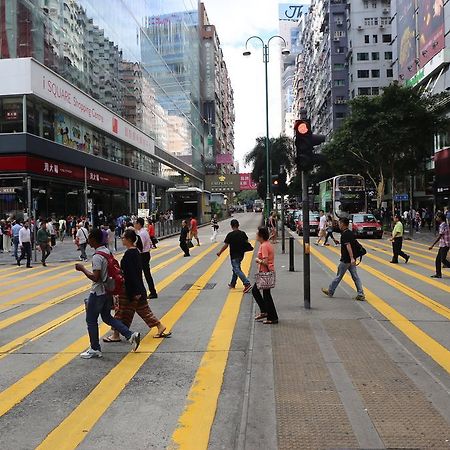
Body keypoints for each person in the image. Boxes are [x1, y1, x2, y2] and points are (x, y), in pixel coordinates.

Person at [75, 228, 141, 359]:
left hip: (98, 292)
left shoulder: (97, 256)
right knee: (107, 317)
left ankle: (94, 348)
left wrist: (82, 269)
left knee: (91, 320)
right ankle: (130, 335)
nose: (88, 241)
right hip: (108, 291)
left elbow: (96, 277)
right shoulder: (106, 252)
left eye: (89, 238)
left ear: (94, 239)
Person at [103, 229, 170, 343]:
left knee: (120, 311)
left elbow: (130, 274)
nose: (122, 239)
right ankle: (159, 326)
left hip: (129, 289)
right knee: (142, 310)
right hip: (137, 288)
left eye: (123, 237)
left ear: (128, 239)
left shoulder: (129, 254)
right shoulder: (136, 252)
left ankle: (116, 334)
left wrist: (131, 290)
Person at [321, 217, 365, 301]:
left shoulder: (345, 234)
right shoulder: (350, 233)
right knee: (355, 277)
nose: (339, 225)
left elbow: (348, 246)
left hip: (346, 260)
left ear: (343, 224)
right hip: (351, 260)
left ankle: (330, 291)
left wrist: (351, 258)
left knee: (339, 276)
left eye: (339, 223)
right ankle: (361, 294)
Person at [217, 219, 252, 293]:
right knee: (235, 269)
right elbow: (246, 242)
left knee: (237, 269)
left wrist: (220, 252)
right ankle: (233, 283)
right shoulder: (243, 233)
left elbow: (226, 245)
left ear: (231, 226)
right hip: (241, 254)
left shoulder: (230, 235)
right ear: (238, 225)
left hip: (234, 255)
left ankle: (247, 283)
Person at [252, 226, 278, 324]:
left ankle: (272, 317)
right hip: (266, 273)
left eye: (257, 233)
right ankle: (265, 312)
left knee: (263, 294)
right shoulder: (267, 244)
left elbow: (266, 262)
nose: (256, 235)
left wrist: (258, 260)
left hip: (265, 273)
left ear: (261, 235)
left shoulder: (264, 246)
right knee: (263, 293)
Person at [135, 217, 158, 299]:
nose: (135, 225)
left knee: (143, 274)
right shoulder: (144, 231)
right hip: (146, 254)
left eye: (135, 223)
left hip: (143, 255)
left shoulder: (141, 234)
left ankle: (148, 292)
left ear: (139, 224)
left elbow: (140, 246)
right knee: (146, 274)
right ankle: (151, 291)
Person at [428, 212, 450, 279]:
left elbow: (440, 236)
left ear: (440, 218)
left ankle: (438, 274)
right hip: (444, 244)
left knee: (442, 260)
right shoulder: (445, 224)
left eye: (437, 217)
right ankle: (438, 274)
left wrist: (432, 245)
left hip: (445, 245)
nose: (436, 218)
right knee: (438, 260)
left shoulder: (442, 225)